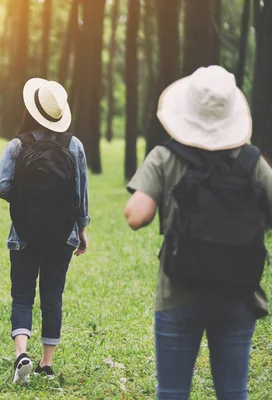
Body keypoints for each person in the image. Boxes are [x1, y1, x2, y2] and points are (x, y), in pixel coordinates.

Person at [125, 65, 272, 400]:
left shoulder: (165, 156)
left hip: (178, 291)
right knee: (234, 392)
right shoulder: (252, 161)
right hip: (238, 293)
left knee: (173, 392)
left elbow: (136, 216)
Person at [0, 78, 90, 384]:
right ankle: (46, 365)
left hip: (24, 232)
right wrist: (82, 229)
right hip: (63, 233)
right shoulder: (74, 146)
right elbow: (81, 191)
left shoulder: (17, 145)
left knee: (22, 295)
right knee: (52, 296)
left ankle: (22, 354)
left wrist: (23, 198)